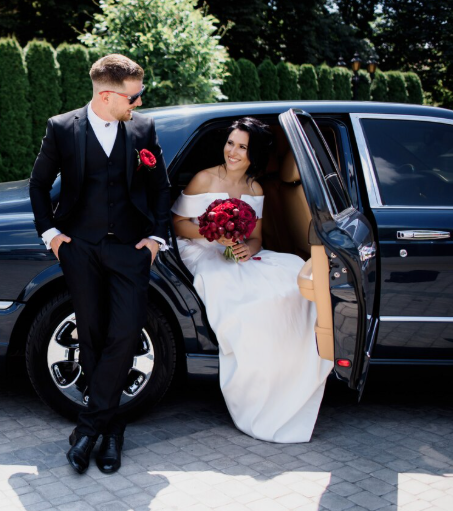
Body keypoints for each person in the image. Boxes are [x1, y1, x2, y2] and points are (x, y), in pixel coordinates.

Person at [29, 54, 171, 473]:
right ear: (107, 95)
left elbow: (160, 187)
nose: (139, 103)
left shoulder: (142, 128)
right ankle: (111, 433)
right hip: (81, 248)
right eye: (134, 96)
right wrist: (51, 236)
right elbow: (39, 185)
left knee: (125, 333)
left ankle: (88, 429)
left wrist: (155, 238)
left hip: (130, 249)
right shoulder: (62, 128)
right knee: (91, 335)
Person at [172, 117, 333, 443]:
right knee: (243, 299)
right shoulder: (204, 178)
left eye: (242, 147)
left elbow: (256, 238)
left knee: (291, 277)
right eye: (230, 143)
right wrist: (212, 234)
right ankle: (252, 384)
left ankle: (286, 375)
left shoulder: (255, 189)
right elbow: (176, 223)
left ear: (254, 154)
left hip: (234, 251)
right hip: (199, 249)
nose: (232, 152)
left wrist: (247, 249)